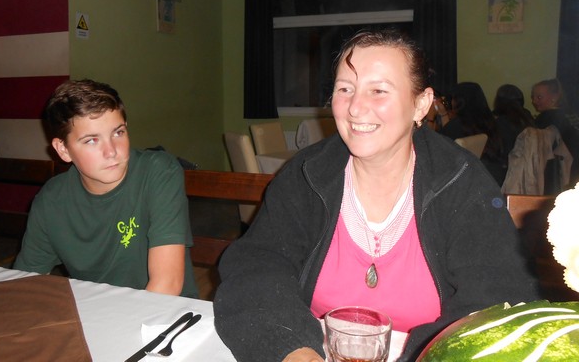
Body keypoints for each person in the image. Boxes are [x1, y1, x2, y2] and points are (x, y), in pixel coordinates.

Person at [213, 31, 539, 362]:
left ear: (421, 104)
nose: (355, 108)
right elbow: (256, 265)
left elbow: (497, 300)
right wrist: (294, 351)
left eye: (379, 90)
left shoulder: (460, 181)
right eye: (345, 89)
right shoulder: (307, 174)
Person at [13, 79, 198, 297]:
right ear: (63, 149)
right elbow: (26, 284)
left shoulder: (158, 172)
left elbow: (167, 285)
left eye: (118, 132)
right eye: (92, 140)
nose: (111, 151)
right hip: (95, 312)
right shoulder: (51, 199)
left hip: (165, 313)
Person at [440, 82, 507, 185]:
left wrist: (437, 116)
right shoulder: (491, 121)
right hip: (494, 176)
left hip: (470, 181)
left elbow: (440, 148)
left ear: (459, 101)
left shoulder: (457, 125)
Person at [531, 78, 579, 184]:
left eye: (539, 97)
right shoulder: (570, 113)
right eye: (533, 97)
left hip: (564, 170)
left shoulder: (547, 117)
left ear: (555, 97)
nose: (534, 101)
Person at [492, 84, 535, 167]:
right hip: (529, 162)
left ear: (499, 101)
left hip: (511, 166)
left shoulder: (501, 122)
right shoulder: (527, 115)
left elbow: (503, 151)